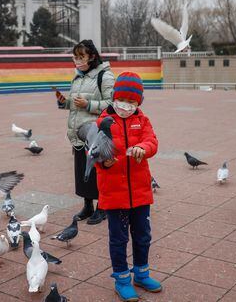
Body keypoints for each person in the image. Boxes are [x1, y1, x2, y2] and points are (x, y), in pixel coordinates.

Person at [95, 72, 161, 301]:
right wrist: (104, 161)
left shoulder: (142, 120)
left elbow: (152, 141)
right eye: (123, 100)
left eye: (132, 102)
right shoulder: (102, 121)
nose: (127, 106)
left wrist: (143, 147)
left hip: (141, 192)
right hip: (114, 194)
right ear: (114, 98)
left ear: (139, 102)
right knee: (119, 239)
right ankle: (122, 279)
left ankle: (142, 275)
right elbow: (93, 152)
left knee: (143, 236)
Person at [57, 39, 115, 225]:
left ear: (92, 56)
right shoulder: (77, 77)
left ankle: (103, 207)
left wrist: (89, 105)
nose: (77, 60)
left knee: (98, 172)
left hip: (96, 134)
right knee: (83, 171)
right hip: (78, 133)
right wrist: (64, 102)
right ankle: (88, 205)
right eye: (75, 57)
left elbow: (113, 105)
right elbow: (75, 103)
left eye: (81, 57)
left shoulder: (105, 76)